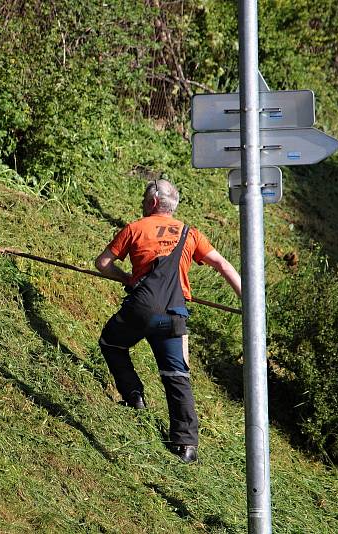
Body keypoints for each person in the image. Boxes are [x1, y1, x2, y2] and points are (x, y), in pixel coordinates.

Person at [94, 178, 241, 463]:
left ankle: (133, 395)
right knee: (176, 375)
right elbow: (223, 265)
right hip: (174, 314)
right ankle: (186, 445)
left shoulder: (136, 228)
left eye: (143, 199)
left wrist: (125, 277)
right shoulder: (190, 234)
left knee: (111, 342)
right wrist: (250, 304)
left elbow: (102, 263)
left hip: (140, 309)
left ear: (152, 203)